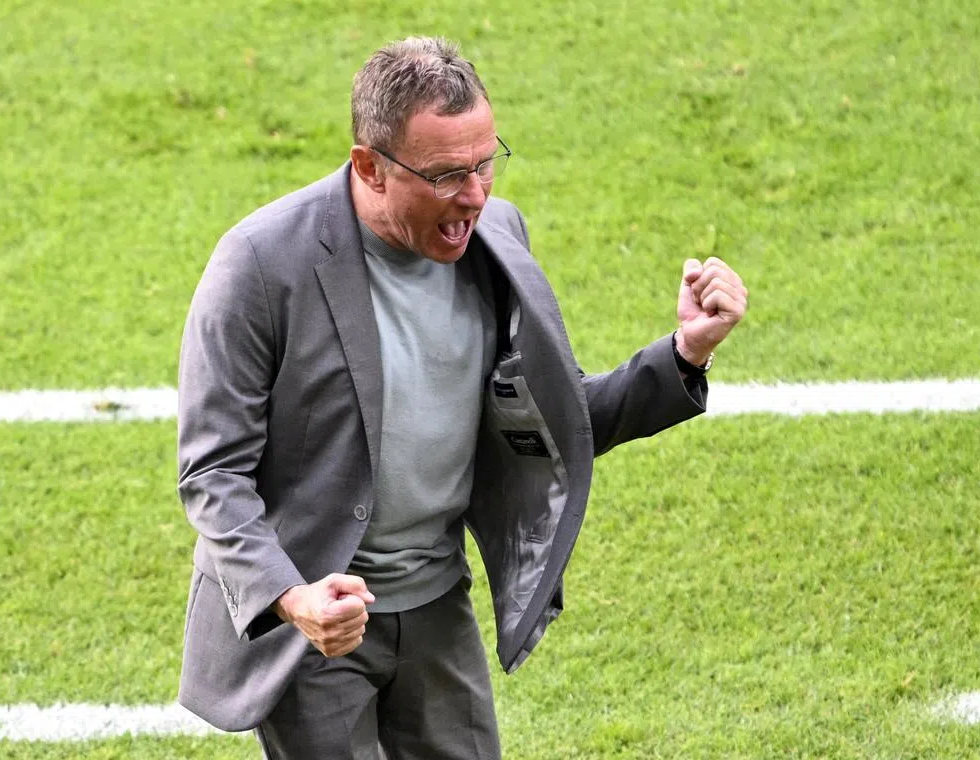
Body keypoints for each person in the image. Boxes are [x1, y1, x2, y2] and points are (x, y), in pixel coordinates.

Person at [176, 36, 748, 759]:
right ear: (370, 168)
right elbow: (212, 475)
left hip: (437, 606)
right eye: (446, 175)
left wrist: (686, 353)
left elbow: (553, 420)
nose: (475, 196)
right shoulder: (260, 266)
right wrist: (295, 600)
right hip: (317, 621)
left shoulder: (495, 239)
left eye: (485, 164)